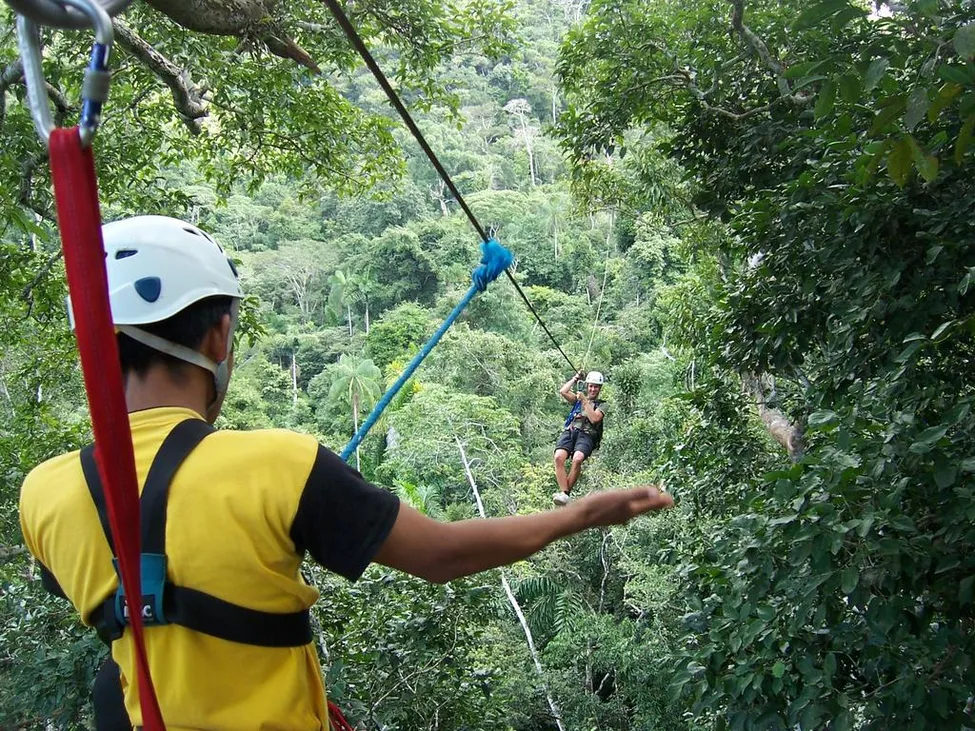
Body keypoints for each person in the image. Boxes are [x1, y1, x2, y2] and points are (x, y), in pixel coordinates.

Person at [18, 216, 673, 730]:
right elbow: (440, 553)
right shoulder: (279, 464)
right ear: (219, 339)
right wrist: (581, 511)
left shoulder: (43, 495)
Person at [553, 370, 606, 506]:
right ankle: (564, 494)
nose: (593, 389)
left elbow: (594, 419)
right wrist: (575, 378)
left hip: (587, 435)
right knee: (558, 457)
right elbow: (563, 391)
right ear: (587, 386)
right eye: (591, 386)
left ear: (599, 388)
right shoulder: (578, 399)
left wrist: (584, 400)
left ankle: (564, 494)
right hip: (571, 430)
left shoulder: (602, 404)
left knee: (577, 459)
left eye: (596, 387)